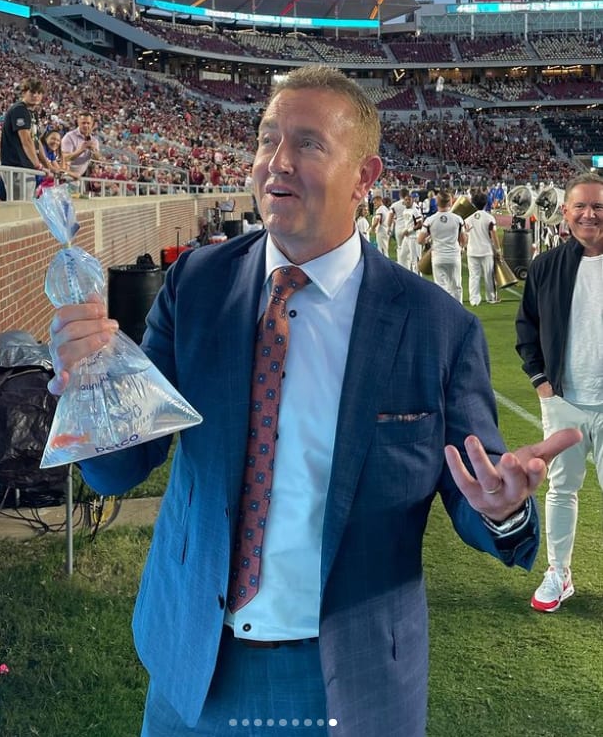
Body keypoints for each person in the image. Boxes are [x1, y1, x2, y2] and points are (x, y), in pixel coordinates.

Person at [48, 65, 579, 737]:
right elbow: (119, 468)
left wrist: (502, 509)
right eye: (268, 139)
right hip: (194, 668)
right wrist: (97, 390)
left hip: (350, 684)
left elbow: (478, 487)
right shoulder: (196, 285)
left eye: (308, 144)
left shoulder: (437, 327)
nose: (278, 161)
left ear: (365, 178)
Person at [515, 171, 603, 613]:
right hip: (564, 401)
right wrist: (542, 383)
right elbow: (525, 326)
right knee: (561, 489)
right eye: (581, 206)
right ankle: (559, 573)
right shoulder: (548, 266)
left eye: (599, 207)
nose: (590, 214)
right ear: (565, 212)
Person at [0, 77, 52, 199]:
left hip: (26, 166)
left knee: (26, 205)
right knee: (17, 207)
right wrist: (38, 165)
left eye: (39, 93)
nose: (36, 96)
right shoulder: (19, 109)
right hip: (16, 165)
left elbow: (35, 140)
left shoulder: (32, 112)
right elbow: (26, 140)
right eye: (32, 92)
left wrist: (47, 165)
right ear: (24, 92)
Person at [417, 191, 467, 303]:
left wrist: (429, 240)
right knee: (456, 287)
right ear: (450, 202)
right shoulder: (458, 219)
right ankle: (459, 312)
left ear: (437, 202)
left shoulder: (430, 220)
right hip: (454, 256)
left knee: (441, 288)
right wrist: (462, 246)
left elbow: (420, 240)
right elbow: (463, 240)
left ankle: (444, 311)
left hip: (438, 256)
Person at [465, 189, 500, 306]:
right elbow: (494, 235)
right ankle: (490, 297)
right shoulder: (489, 218)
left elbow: (465, 234)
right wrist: (498, 250)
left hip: (472, 250)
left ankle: (474, 300)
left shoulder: (467, 218)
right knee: (489, 276)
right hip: (486, 251)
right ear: (485, 203)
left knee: (474, 276)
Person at [61, 111, 101, 179]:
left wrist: (94, 150)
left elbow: (98, 159)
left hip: (79, 176)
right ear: (78, 123)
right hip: (65, 175)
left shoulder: (94, 140)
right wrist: (81, 150)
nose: (85, 125)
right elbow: (65, 158)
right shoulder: (69, 136)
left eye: (88, 123)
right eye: (83, 123)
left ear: (92, 124)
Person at [395, 190, 422, 272]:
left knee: (414, 259)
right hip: (407, 237)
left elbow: (420, 224)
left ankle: (417, 277)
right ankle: (405, 273)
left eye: (409, 200)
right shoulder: (405, 211)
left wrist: (409, 230)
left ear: (412, 201)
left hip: (414, 237)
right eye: (406, 200)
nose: (407, 201)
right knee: (402, 255)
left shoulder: (415, 211)